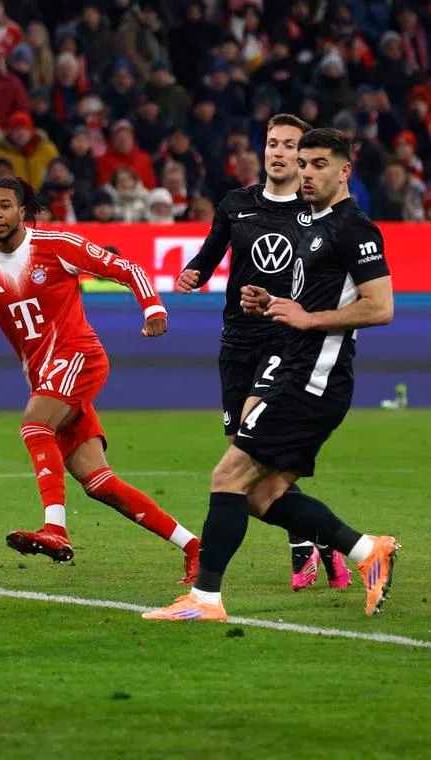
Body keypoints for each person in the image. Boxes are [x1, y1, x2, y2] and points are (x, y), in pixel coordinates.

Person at [145, 128, 398, 622]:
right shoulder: (313, 228)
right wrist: (273, 306)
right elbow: (315, 302)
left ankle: (205, 599)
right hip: (298, 373)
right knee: (262, 495)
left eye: (319, 163)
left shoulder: (355, 229)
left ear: (345, 170)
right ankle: (368, 551)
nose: (307, 172)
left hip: (314, 381)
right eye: (303, 163)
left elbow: (381, 307)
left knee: (229, 475)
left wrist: (308, 319)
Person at [0, 177, 200, 580]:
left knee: (34, 424)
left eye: (4, 206)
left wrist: (153, 310)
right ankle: (194, 546)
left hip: (79, 356)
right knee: (98, 482)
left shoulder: (56, 246)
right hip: (46, 378)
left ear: (23, 210)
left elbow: (125, 267)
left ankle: (55, 529)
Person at [175, 114, 350, 592]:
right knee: (242, 453)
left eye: (288, 146)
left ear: (302, 156)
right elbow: (209, 257)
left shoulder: (316, 213)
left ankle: (296, 552)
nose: (277, 152)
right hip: (236, 343)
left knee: (250, 456)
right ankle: (323, 539)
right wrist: (193, 274)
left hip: (285, 345)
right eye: (271, 143)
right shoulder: (236, 204)